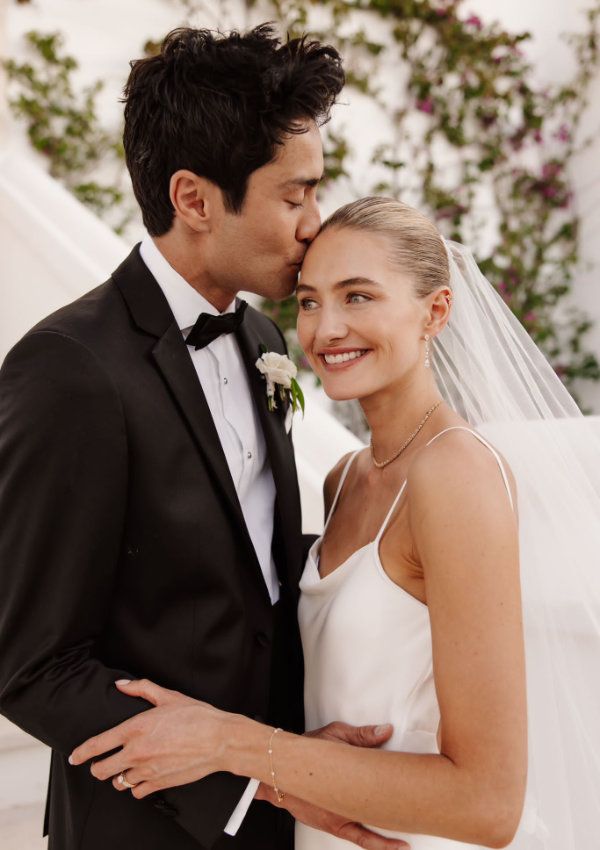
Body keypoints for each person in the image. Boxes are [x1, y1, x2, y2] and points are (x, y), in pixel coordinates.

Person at [70, 198, 600, 850]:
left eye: (358, 297)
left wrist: (230, 742)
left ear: (435, 311)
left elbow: (489, 803)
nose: (326, 330)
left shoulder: (455, 474)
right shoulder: (344, 478)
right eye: (312, 301)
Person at [0, 28, 409, 850]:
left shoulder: (262, 336)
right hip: (144, 828)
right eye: (293, 197)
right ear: (193, 199)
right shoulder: (69, 369)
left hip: (290, 809)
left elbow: (239, 562)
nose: (313, 224)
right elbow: (27, 662)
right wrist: (251, 774)